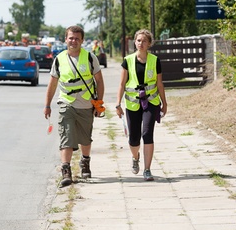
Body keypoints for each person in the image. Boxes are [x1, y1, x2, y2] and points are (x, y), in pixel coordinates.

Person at [44, 25, 105, 187]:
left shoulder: (91, 58)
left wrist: (99, 103)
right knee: (67, 136)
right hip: (66, 103)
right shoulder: (59, 59)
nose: (74, 41)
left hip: (86, 104)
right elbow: (52, 83)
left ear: (82, 40)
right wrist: (47, 104)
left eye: (77, 38)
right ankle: (66, 171)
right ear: (66, 39)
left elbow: (99, 81)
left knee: (85, 138)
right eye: (71, 38)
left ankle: (85, 162)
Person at [116, 29, 168, 181]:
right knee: (134, 138)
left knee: (147, 133)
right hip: (132, 103)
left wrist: (164, 103)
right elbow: (121, 84)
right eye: (139, 40)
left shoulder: (155, 60)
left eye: (144, 41)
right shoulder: (128, 60)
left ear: (149, 43)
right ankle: (135, 157)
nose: (141, 43)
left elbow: (159, 83)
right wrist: (118, 104)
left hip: (151, 102)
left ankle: (147, 169)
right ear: (135, 42)